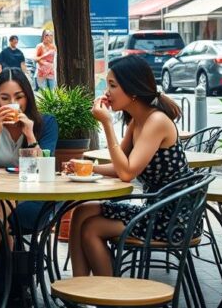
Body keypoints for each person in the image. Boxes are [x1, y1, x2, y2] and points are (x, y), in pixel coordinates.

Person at [68, 55, 192, 277]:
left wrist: (106, 123)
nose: (107, 92)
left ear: (133, 90)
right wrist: (87, 167)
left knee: (91, 229)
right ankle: (78, 293)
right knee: (81, 212)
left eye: (113, 86)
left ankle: (109, 299)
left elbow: (126, 174)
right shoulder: (138, 120)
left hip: (172, 218)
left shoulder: (156, 121)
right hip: (155, 208)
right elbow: (121, 166)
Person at [0, 68, 59, 299]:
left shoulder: (45, 123)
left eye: (19, 97)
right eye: (5, 98)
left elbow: (41, 171)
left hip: (33, 195)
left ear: (28, 97)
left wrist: (30, 135)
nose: (13, 103)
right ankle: (10, 288)